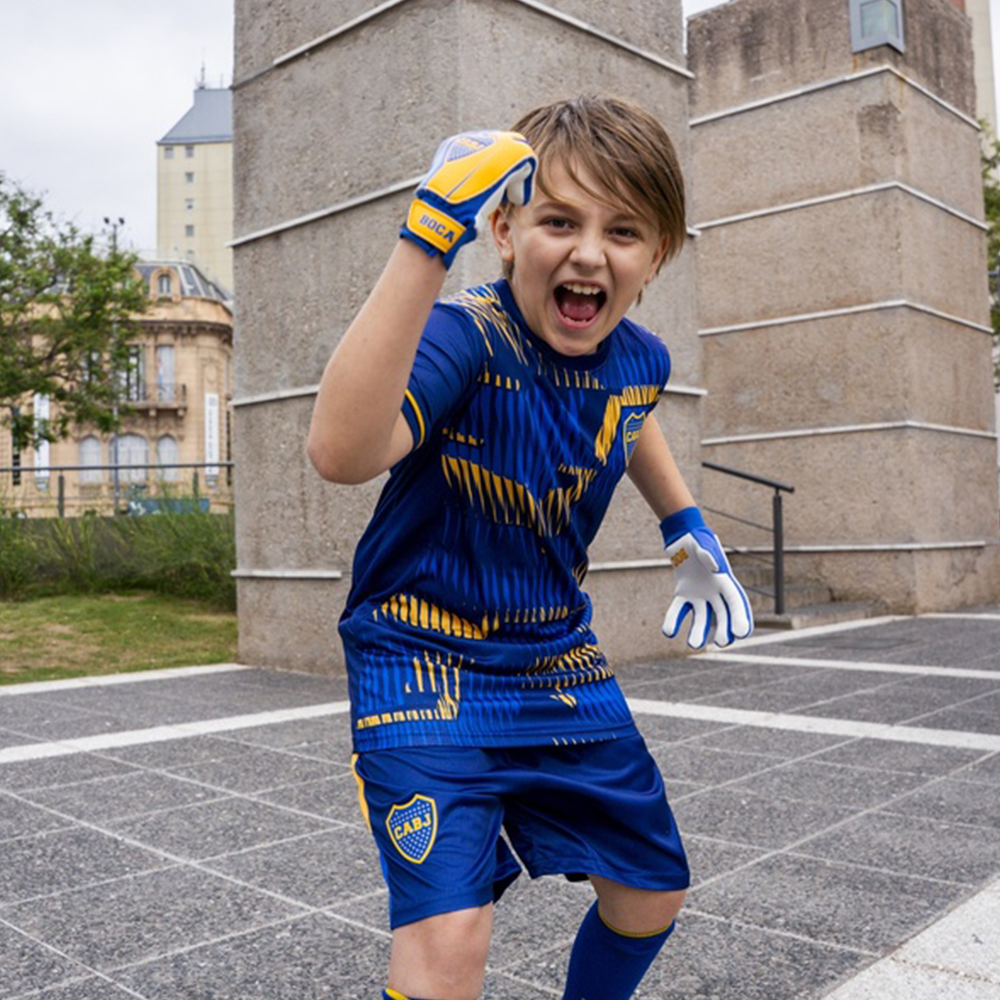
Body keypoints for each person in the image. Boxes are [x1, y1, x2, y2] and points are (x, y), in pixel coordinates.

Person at [307, 95, 753, 1000]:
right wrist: (426, 240)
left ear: (657, 255)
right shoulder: (465, 337)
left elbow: (631, 411)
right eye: (559, 221)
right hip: (422, 659)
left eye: (623, 231)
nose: (589, 253)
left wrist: (683, 522)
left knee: (651, 891)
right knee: (449, 938)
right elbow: (341, 453)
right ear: (505, 231)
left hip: (555, 656)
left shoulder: (642, 356)